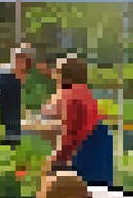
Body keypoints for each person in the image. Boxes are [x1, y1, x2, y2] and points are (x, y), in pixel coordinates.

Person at [42, 56, 110, 187]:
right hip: (99, 144)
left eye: (57, 72)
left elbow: (70, 132)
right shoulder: (84, 91)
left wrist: (56, 159)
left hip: (87, 148)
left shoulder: (70, 95)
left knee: (80, 193)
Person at [0, 46, 37, 146]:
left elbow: (31, 103)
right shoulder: (5, 75)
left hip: (25, 118)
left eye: (23, 60)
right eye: (17, 59)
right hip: (7, 118)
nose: (19, 63)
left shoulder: (31, 79)